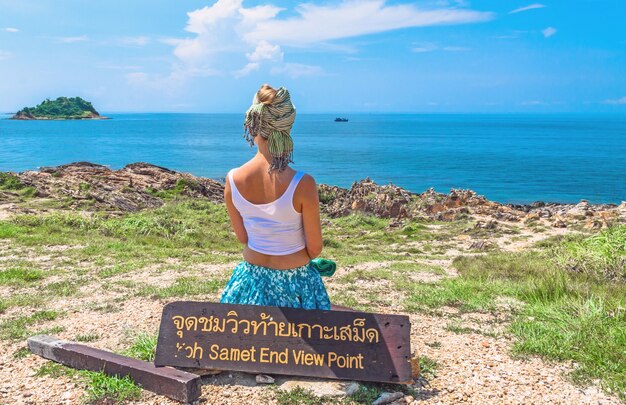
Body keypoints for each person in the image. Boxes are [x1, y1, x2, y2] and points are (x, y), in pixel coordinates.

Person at [220, 84, 331, 310]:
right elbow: (315, 248)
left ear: (253, 124)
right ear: (287, 126)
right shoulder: (304, 184)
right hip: (296, 284)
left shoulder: (232, 180)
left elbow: (243, 238)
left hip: (251, 281)